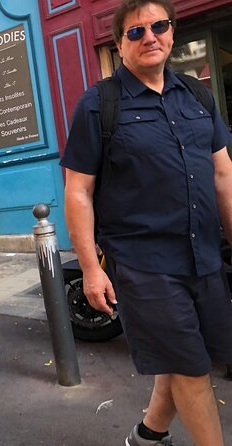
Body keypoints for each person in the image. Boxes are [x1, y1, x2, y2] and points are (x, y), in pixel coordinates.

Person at [61, 1, 232, 445]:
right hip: (142, 262)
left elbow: (222, 175)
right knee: (191, 369)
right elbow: (77, 191)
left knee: (193, 358)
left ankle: (147, 436)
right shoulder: (100, 104)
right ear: (119, 45)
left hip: (203, 255)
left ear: (172, 32)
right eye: (135, 32)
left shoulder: (197, 96)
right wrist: (92, 269)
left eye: (158, 26)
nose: (149, 37)